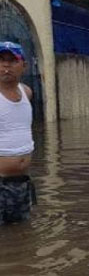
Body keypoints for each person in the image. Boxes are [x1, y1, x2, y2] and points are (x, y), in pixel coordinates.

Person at [0, 42, 36, 225]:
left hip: (22, 183)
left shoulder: (27, 92)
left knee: (22, 234)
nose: (6, 66)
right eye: (1, 60)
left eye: (13, 60)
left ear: (24, 66)